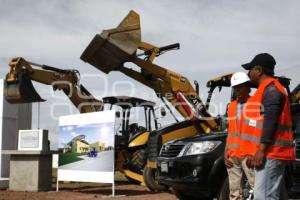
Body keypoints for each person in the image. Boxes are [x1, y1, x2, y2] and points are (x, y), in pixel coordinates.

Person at [241, 53, 294, 200]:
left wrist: (261, 150)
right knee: (276, 195)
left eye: (250, 69)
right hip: (270, 153)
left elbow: (270, 121)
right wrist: (255, 151)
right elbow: (260, 125)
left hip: (271, 153)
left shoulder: (271, 90)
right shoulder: (266, 89)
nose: (248, 73)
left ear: (259, 70)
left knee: (264, 196)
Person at [224, 72, 255, 200]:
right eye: (235, 87)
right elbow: (230, 130)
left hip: (249, 155)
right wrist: (225, 151)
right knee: (234, 192)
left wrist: (255, 152)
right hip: (233, 155)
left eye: (240, 86)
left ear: (248, 86)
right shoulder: (231, 106)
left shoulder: (255, 103)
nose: (237, 90)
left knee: (257, 188)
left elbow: (259, 131)